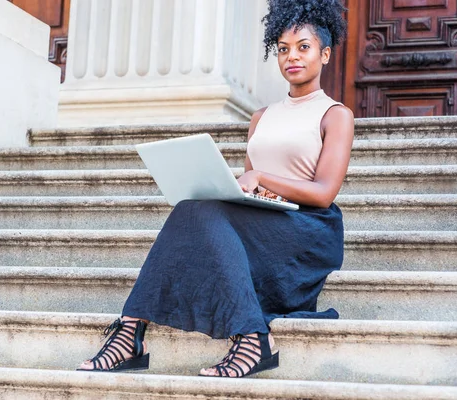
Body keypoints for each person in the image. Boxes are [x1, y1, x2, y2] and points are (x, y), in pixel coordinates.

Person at [77, 0, 354, 378]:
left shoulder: (336, 115)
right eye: (284, 48)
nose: (292, 56)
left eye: (304, 47)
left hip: (308, 231)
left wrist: (263, 180)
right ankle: (133, 329)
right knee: (192, 208)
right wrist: (245, 189)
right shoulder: (262, 117)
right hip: (266, 219)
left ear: (324, 54)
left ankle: (239, 338)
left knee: (197, 213)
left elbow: (324, 192)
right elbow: (247, 186)